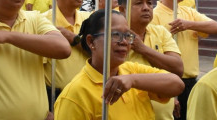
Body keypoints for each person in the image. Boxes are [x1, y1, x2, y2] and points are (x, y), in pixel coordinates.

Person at [54, 10, 184, 120]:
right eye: (115, 34)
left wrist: (132, 80)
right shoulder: (75, 95)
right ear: (91, 41)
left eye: (127, 35)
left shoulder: (131, 70)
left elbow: (177, 84)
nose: (124, 42)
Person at [151, 0, 217, 120]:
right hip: (167, 79)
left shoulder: (189, 13)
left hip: (191, 81)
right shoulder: (154, 15)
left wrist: (189, 24)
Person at [118, 0, 183, 120]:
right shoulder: (115, 38)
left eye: (149, 3)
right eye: (139, 3)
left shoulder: (160, 32)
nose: (146, 8)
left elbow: (178, 68)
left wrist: (143, 49)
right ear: (122, 9)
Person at [43, 0, 90, 108]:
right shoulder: (44, 21)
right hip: (55, 98)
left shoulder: (88, 19)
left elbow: (102, 54)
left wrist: (74, 39)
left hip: (88, 95)